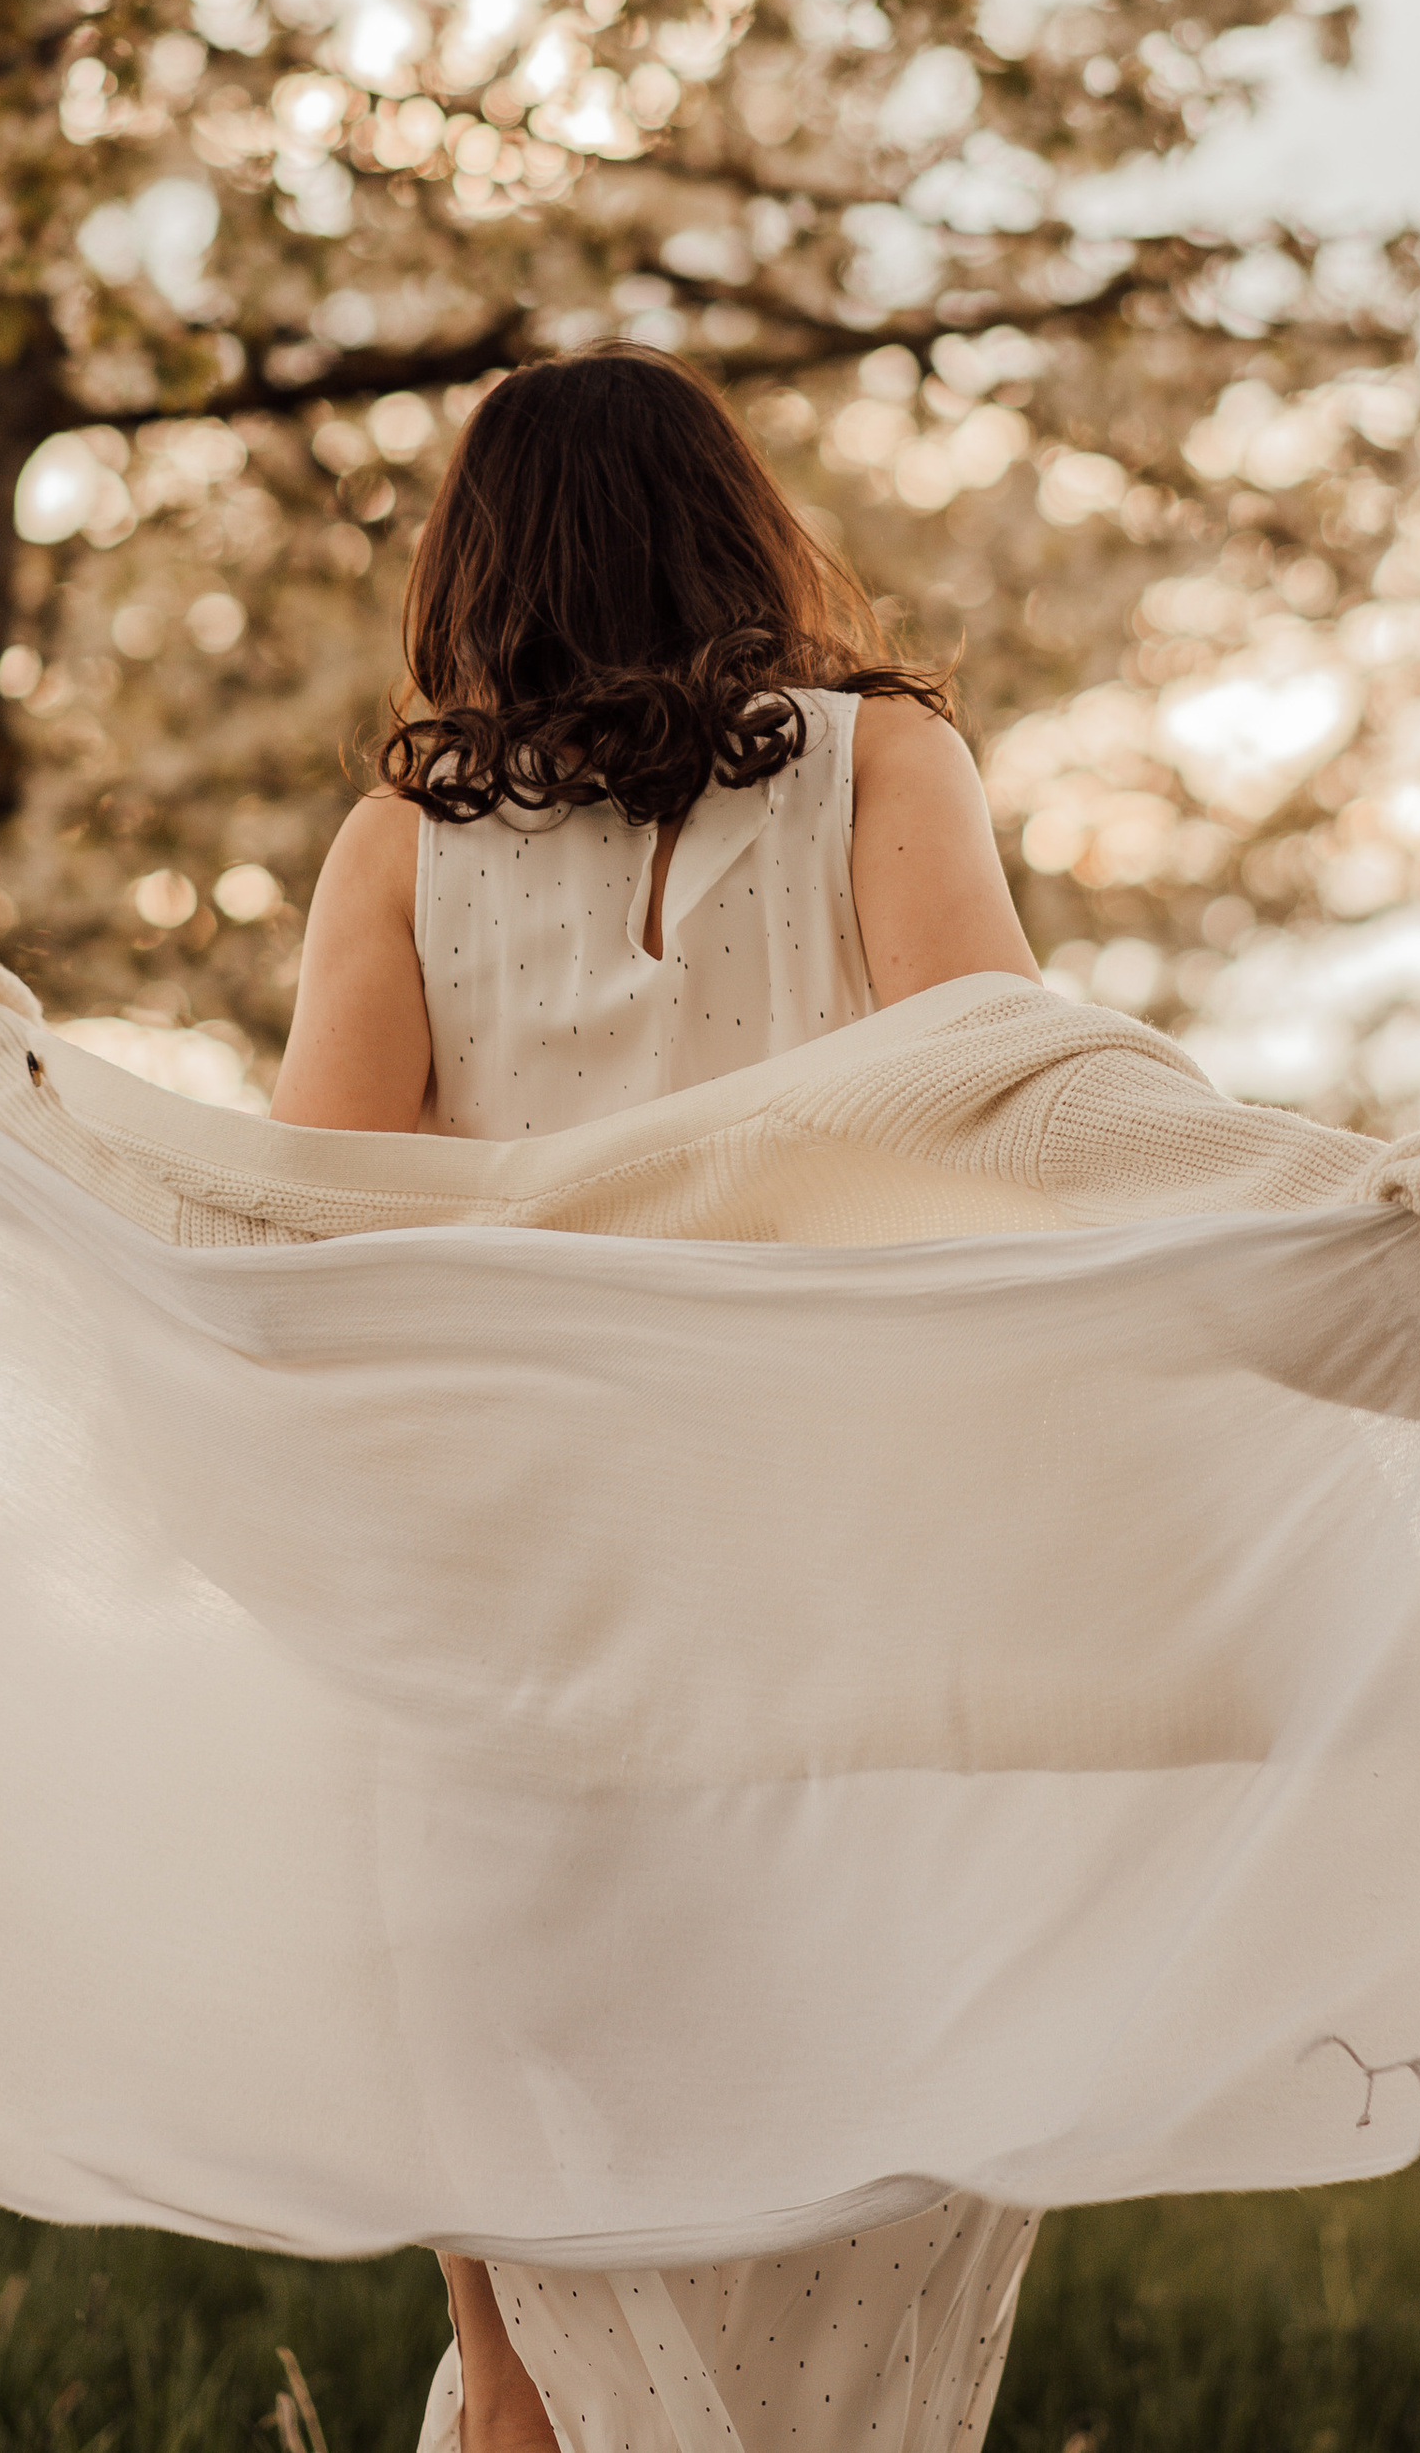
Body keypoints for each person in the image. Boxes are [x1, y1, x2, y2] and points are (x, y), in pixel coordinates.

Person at [270, 345, 1052, 2453]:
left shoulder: (400, 846)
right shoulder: (883, 764)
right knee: (860, 2188)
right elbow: (1018, 1109)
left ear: (477, 564)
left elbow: (311, 1239)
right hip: (846, 1600)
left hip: (509, 1614)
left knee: (527, 2263)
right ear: (738, 529)